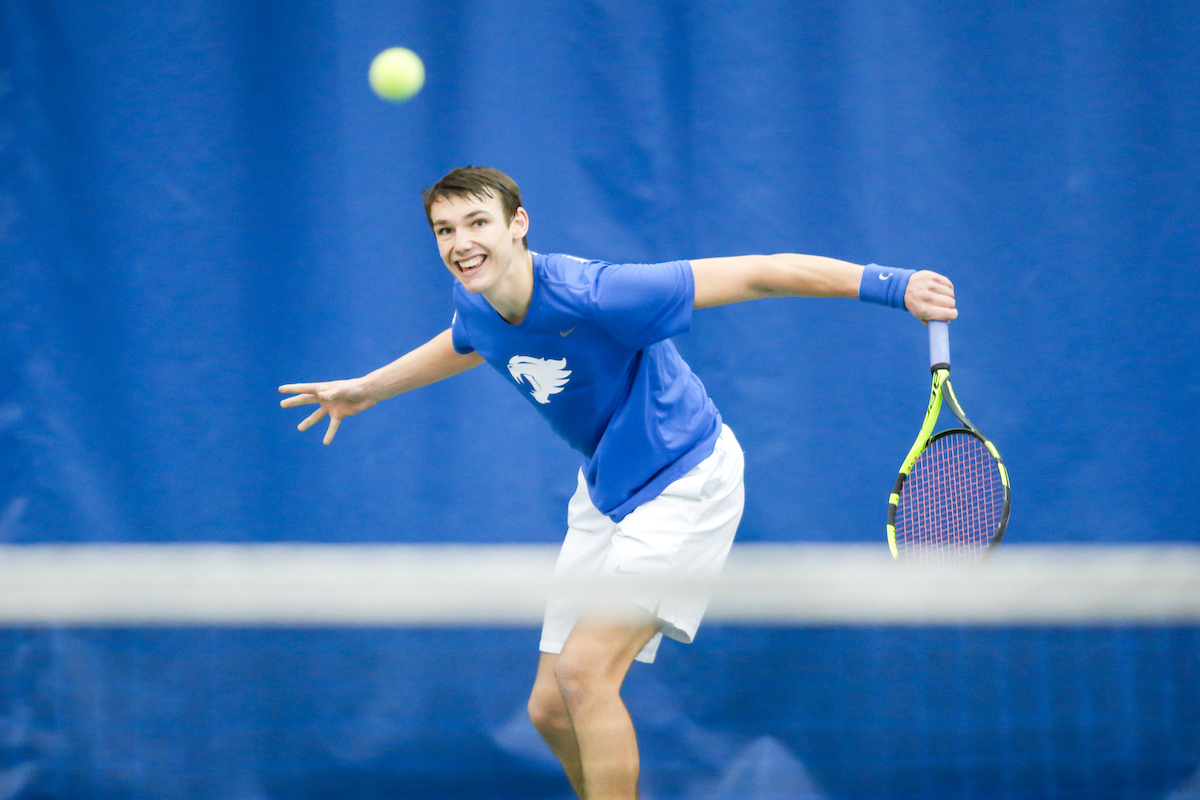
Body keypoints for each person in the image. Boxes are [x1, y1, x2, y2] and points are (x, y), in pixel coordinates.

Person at [279, 166, 957, 800]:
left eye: (477, 223)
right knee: (549, 708)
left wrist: (892, 284)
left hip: (685, 481)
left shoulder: (597, 293)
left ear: (518, 224)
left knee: (585, 674)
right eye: (445, 231)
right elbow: (464, 338)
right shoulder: (477, 299)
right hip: (607, 488)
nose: (461, 243)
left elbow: (758, 274)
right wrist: (368, 389)